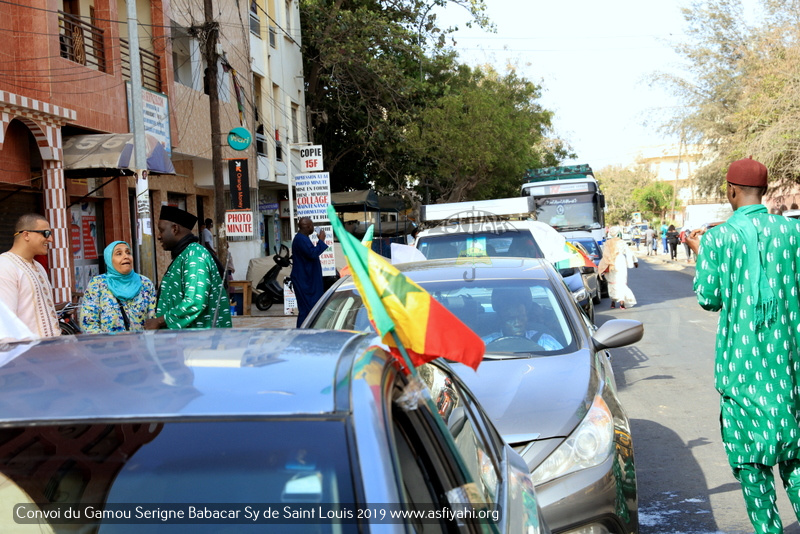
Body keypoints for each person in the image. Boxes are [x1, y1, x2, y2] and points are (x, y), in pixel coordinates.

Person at [686, 157, 800, 533]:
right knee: (795, 458)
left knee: (751, 465)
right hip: (790, 367)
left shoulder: (719, 238)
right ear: (764, 191)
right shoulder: (793, 234)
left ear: (731, 190)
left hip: (741, 370)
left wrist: (703, 252)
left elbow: (709, 297)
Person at [144, 206, 232, 330]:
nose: (158, 236)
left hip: (198, 343)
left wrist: (159, 322)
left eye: (161, 230)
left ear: (174, 229)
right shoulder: (183, 255)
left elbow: (195, 302)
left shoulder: (194, 255)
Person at [0, 213, 60, 338]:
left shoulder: (38, 266)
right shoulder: (5, 266)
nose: (50, 239)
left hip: (49, 351)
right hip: (27, 353)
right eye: (46, 233)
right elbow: (5, 323)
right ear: (26, 235)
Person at [79, 241, 157, 333]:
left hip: (140, 345)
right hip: (109, 346)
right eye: (119, 254)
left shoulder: (145, 283)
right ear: (109, 260)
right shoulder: (97, 284)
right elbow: (88, 325)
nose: (126, 256)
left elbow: (153, 320)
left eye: (128, 252)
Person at [481, 289, 562, 350]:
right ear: (501, 320)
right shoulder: (485, 344)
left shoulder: (544, 341)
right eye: (511, 319)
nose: (518, 323)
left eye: (522, 317)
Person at [291, 217, 328, 327]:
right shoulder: (300, 239)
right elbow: (312, 254)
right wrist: (321, 241)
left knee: (312, 308)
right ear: (308, 227)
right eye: (312, 225)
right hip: (304, 281)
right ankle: (302, 332)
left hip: (308, 279)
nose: (313, 228)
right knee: (307, 309)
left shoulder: (303, 238)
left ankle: (308, 330)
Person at [597, 237, 638, 309]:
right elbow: (629, 252)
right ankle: (622, 303)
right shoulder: (621, 242)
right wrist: (634, 261)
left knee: (612, 282)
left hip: (610, 263)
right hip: (620, 262)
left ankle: (612, 302)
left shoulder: (608, 243)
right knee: (621, 282)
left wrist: (603, 266)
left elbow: (605, 255)